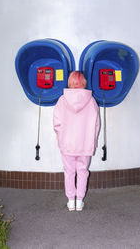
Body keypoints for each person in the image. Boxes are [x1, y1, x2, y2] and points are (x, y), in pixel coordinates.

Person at [53, 71, 100, 211]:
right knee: (83, 171)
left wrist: (61, 137)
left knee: (69, 172)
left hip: (67, 143)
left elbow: (56, 123)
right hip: (85, 144)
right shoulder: (91, 101)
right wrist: (93, 141)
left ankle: (70, 201)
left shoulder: (62, 100)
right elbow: (96, 125)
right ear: (83, 82)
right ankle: (79, 201)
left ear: (70, 82)